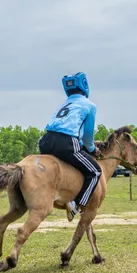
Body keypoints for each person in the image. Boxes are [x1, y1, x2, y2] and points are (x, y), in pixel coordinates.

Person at [39, 72, 101, 219]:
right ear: (85, 85)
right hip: (66, 142)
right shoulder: (90, 105)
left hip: (45, 141)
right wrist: (93, 149)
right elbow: (87, 137)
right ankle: (76, 204)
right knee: (95, 172)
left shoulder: (65, 103)